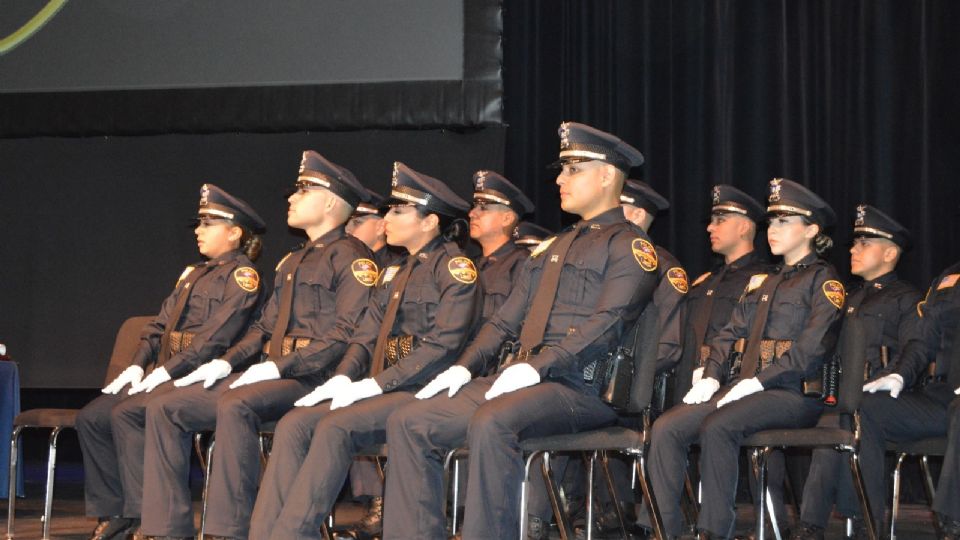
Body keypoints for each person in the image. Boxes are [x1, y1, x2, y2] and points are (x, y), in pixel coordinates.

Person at [382, 121, 658, 540]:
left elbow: (609, 322)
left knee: (494, 421)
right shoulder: (555, 247)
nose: (560, 179)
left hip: (581, 388)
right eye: (561, 171)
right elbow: (503, 320)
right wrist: (462, 367)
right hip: (524, 379)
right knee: (410, 420)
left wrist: (539, 367)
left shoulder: (630, 246)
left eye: (573, 169)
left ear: (606, 175)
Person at [137, 151, 376, 540]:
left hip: (318, 377)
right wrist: (224, 363)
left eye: (304, 191)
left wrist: (280, 366)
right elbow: (263, 328)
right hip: (277, 375)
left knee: (237, 403)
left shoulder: (352, 259)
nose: (291, 199)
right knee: (167, 405)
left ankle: (229, 527)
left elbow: (347, 334)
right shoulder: (292, 262)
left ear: (332, 203)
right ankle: (166, 528)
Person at [248, 161, 481, 540]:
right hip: (386, 387)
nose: (388, 217)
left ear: (430, 222)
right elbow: (365, 335)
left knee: (336, 425)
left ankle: (291, 534)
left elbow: (443, 346)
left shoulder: (454, 269)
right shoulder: (394, 272)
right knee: (296, 423)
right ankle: (263, 533)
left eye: (400, 210)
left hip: (423, 390)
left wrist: (375, 385)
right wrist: (343, 378)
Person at [641, 178, 845, 539]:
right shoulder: (764, 283)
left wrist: (758, 380)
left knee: (719, 425)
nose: (773, 230)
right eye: (772, 222)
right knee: (668, 428)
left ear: (811, 229)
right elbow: (727, 334)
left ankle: (713, 530)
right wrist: (712, 376)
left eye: (785, 221)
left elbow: (811, 350)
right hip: (745, 391)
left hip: (794, 394)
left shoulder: (824, 282)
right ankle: (664, 529)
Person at [77, 184, 265, 540]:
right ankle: (116, 509)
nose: (198, 230)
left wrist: (166, 371)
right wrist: (138, 364)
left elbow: (215, 338)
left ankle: (147, 516)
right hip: (166, 374)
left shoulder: (243, 277)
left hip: (202, 377)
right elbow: (158, 326)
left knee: (128, 414)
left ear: (235, 232)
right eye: (200, 223)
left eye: (208, 223)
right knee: (93, 417)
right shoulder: (191, 274)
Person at [787, 205, 920, 538]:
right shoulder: (846, 297)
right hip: (836, 393)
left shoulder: (906, 299)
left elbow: (912, 352)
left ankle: (828, 524)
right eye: (854, 243)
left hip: (883, 401)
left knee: (841, 419)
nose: (852, 250)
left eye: (864, 244)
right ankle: (801, 519)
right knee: (821, 414)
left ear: (889, 252)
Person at [848, 258, 960, 537]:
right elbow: (922, 339)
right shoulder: (951, 276)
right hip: (942, 396)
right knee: (869, 407)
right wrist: (899, 375)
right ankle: (868, 525)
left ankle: (952, 523)